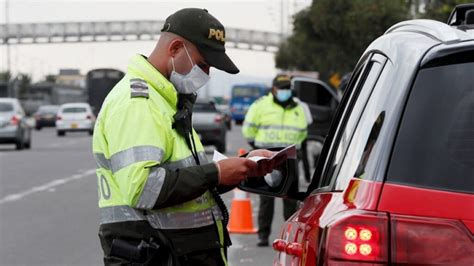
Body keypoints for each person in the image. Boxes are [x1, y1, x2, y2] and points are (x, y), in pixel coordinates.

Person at [93, 8, 276, 265]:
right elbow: (144, 189)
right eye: (203, 64)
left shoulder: (168, 100)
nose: (207, 74)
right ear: (176, 48)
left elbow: (186, 180)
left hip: (178, 253)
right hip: (156, 253)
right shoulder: (138, 103)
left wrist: (241, 167)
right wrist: (216, 173)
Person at [242, 74, 308, 247]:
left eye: (287, 88)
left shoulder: (298, 107)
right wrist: (255, 147)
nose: (284, 91)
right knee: (266, 198)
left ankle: (291, 236)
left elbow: (303, 131)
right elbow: (248, 129)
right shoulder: (261, 105)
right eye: (281, 88)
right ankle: (263, 235)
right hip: (266, 157)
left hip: (289, 159)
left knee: (290, 197)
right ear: (273, 89)